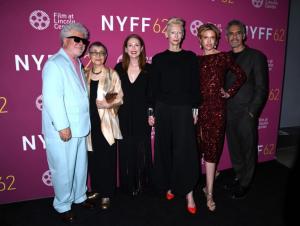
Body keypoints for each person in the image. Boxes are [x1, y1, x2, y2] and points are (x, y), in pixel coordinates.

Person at [42, 23, 94, 223]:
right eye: (77, 39)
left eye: (84, 41)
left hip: (80, 126)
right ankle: (62, 205)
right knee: (63, 168)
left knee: (80, 166)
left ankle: (79, 197)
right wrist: (63, 126)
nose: (82, 44)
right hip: (64, 129)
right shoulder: (55, 63)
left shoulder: (77, 63)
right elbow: (52, 98)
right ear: (65, 40)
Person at [149, 17, 201, 215]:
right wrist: (151, 111)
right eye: (173, 32)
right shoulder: (159, 59)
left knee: (185, 150)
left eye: (180, 32)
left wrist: (195, 109)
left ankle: (188, 192)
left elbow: (194, 86)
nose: (176, 36)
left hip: (183, 109)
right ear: (166, 33)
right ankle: (171, 185)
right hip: (163, 109)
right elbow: (153, 89)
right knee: (165, 149)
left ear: (184, 34)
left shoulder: (190, 57)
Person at [196, 23, 246, 211]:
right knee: (200, 147)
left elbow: (241, 75)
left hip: (217, 109)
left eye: (211, 37)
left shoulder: (223, 57)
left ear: (216, 39)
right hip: (199, 111)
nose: (208, 41)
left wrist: (229, 92)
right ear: (200, 40)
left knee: (212, 149)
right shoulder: (197, 60)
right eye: (205, 37)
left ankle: (209, 193)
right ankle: (213, 173)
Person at [225, 19, 269, 199]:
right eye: (231, 34)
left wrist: (252, 111)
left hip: (246, 112)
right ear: (227, 37)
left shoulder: (256, 56)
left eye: (238, 33)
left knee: (248, 149)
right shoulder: (225, 57)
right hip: (228, 111)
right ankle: (239, 175)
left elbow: (261, 88)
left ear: (244, 35)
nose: (234, 36)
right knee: (234, 147)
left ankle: (246, 182)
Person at [85, 41, 123, 209]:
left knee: (107, 159)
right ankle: (97, 190)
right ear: (89, 55)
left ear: (106, 56)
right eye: (94, 52)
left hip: (106, 122)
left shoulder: (111, 74)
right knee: (93, 159)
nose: (98, 55)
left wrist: (108, 105)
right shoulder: (83, 74)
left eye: (101, 52)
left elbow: (119, 96)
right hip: (88, 124)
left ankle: (107, 193)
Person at [114, 34, 152, 197]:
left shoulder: (149, 69)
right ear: (125, 48)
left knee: (142, 150)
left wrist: (151, 114)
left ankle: (142, 185)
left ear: (142, 48)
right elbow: (113, 92)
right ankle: (128, 185)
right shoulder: (118, 68)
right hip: (123, 116)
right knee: (125, 151)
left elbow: (152, 95)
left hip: (142, 117)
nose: (134, 48)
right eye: (130, 45)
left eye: (137, 45)